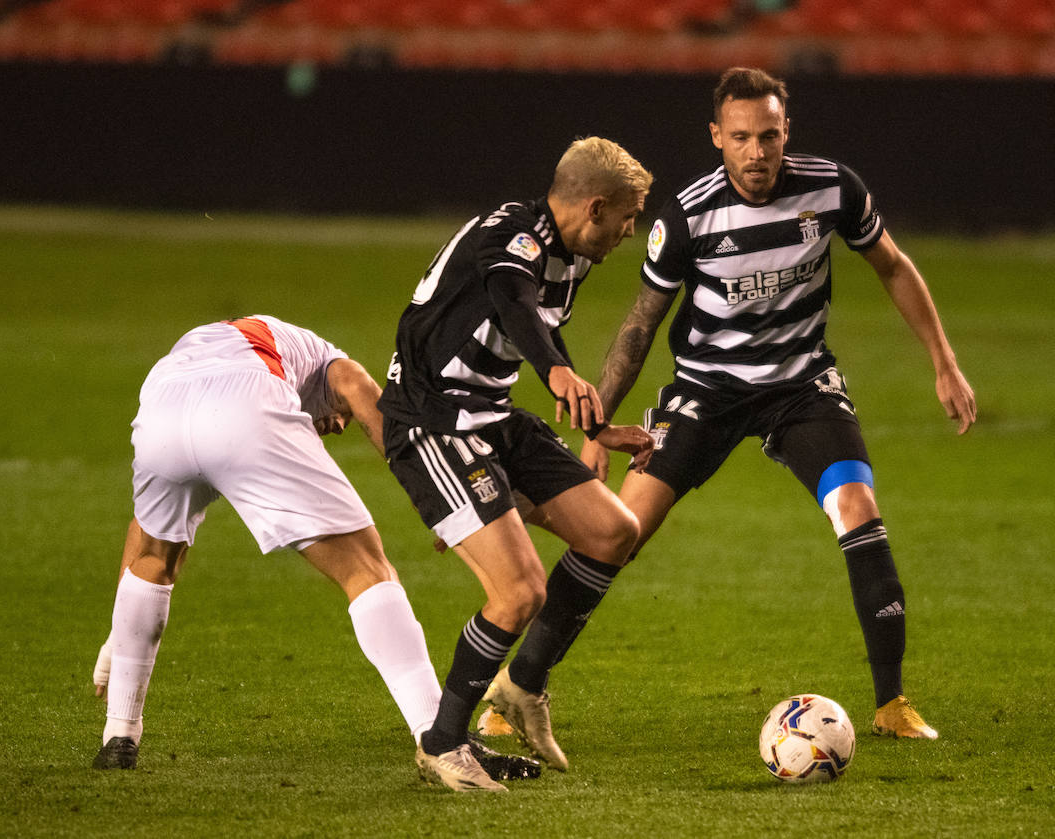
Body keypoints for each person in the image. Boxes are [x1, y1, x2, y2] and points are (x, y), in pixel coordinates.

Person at [578, 67, 977, 739]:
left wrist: (945, 361)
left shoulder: (831, 188)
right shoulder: (687, 216)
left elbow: (893, 264)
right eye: (741, 137)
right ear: (717, 137)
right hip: (707, 389)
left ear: (786, 130)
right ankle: (515, 688)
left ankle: (891, 703)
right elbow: (640, 326)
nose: (757, 151)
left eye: (768, 135)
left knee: (857, 504)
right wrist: (594, 430)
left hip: (799, 387)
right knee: (618, 530)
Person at [90, 314, 536, 792]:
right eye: (335, 417)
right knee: (367, 569)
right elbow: (370, 407)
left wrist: (121, 636)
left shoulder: (221, 345)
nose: (335, 427)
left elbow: (147, 543)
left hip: (161, 410)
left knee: (155, 559)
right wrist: (439, 502)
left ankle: (119, 734)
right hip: (244, 405)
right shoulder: (331, 363)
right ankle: (440, 740)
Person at [378, 137, 656, 777]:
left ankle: (523, 687)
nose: (628, 231)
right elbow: (514, 301)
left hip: (491, 417)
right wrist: (558, 373)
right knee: (520, 590)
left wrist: (598, 424)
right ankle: (443, 745)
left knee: (615, 531)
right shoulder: (511, 237)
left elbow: (534, 322)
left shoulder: (573, 254)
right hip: (433, 424)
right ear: (594, 208)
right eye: (627, 217)